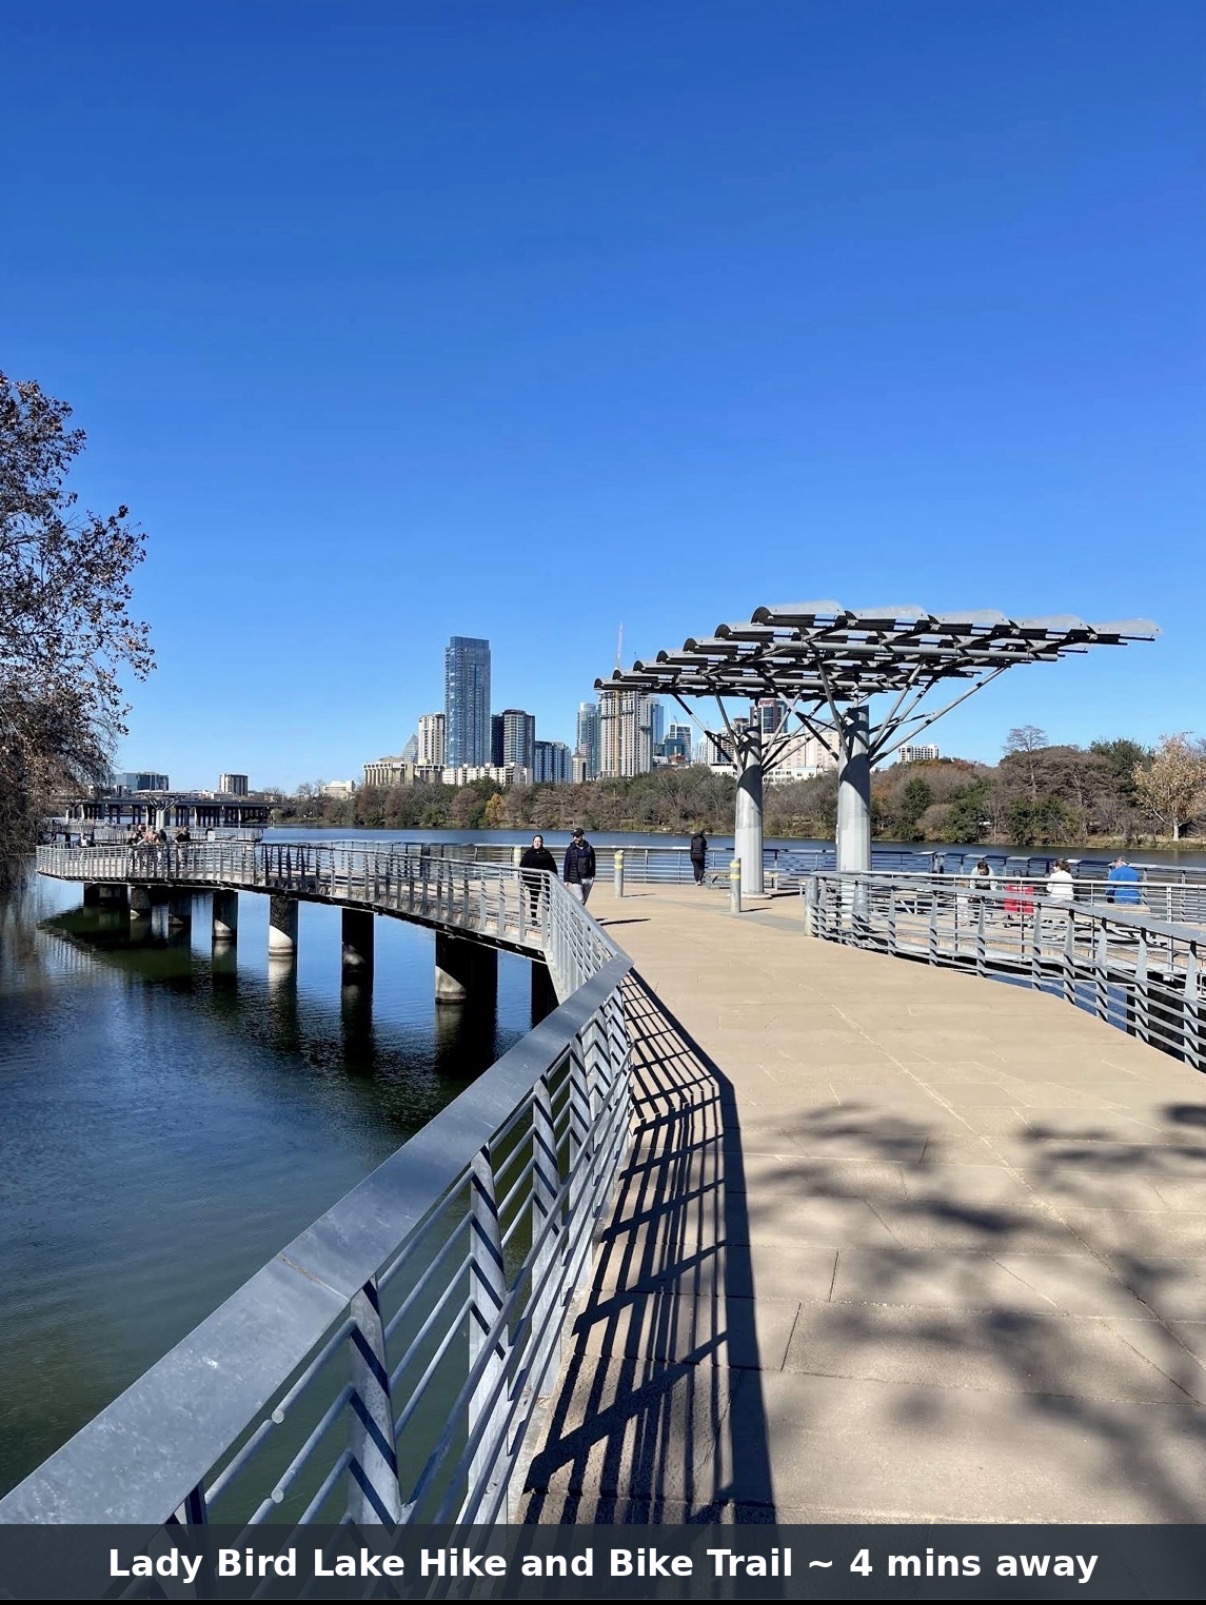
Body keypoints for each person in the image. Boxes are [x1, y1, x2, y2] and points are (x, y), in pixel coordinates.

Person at [519, 833, 556, 922]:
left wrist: (555, 878)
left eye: (539, 842)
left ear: (542, 843)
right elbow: (522, 867)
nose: (537, 843)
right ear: (533, 842)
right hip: (533, 882)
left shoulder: (546, 853)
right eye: (535, 841)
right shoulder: (528, 854)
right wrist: (523, 881)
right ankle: (533, 919)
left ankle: (550, 920)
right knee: (534, 900)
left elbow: (553, 867)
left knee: (549, 900)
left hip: (545, 882)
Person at [563, 827, 596, 905]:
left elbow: (593, 862)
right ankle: (575, 915)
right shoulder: (570, 849)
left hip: (588, 878)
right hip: (576, 879)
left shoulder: (589, 848)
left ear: (582, 836)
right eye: (574, 836)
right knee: (580, 900)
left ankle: (575, 915)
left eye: (577, 836)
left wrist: (593, 875)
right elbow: (566, 864)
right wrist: (566, 879)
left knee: (583, 901)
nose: (575, 838)